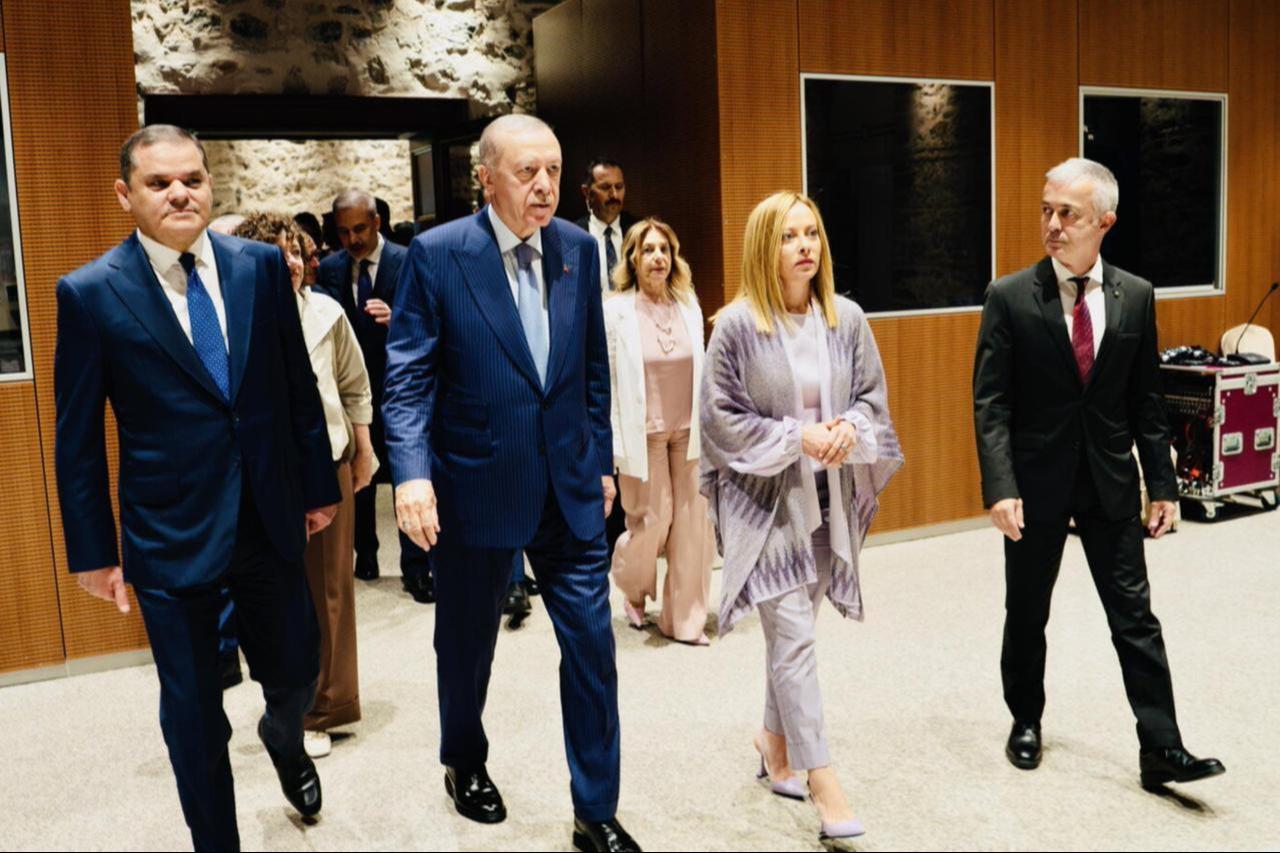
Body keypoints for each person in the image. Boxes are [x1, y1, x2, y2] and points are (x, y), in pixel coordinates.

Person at [53, 125, 339, 851]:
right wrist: (91, 551)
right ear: (126, 195)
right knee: (192, 711)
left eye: (193, 179)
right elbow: (78, 434)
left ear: (210, 184)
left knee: (298, 671)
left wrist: (316, 483)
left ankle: (283, 735)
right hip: (168, 533)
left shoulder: (259, 270)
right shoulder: (90, 293)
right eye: (159, 183)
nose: (181, 192)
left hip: (268, 517)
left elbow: (296, 387)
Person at [384, 113, 640, 852]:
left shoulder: (575, 250)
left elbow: (591, 366)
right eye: (528, 171)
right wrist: (411, 474)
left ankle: (596, 810)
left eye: (555, 171)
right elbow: (407, 377)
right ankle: (463, 759)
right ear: (486, 176)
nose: (545, 185)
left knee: (592, 647)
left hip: (569, 490)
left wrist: (598, 461)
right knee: (465, 648)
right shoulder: (436, 255)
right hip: (476, 488)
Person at [972, 157, 1225, 789]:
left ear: (1104, 222)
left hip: (1111, 479)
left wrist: (1163, 485)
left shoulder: (1135, 295)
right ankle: (1025, 720)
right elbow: (992, 402)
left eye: (1069, 215)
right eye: (1047, 211)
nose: (1053, 226)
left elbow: (1146, 401)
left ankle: (1162, 748)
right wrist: (1000, 486)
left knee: (1135, 617)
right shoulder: (1008, 296)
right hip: (1035, 484)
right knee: (1028, 611)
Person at [700, 191, 902, 850]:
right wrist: (799, 437)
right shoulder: (735, 325)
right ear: (766, 246)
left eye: (811, 233)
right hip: (765, 508)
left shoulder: (846, 317)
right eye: (789, 236)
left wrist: (848, 425)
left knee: (792, 639)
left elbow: (871, 397)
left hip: (828, 505)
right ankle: (823, 779)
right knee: (792, 637)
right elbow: (721, 420)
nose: (805, 247)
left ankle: (774, 743)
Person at [235, 213, 377, 760]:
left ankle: (326, 706)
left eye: (296, 252)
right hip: (264, 475)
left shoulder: (326, 312)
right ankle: (284, 695)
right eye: (279, 253)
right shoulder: (238, 321)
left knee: (330, 591)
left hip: (328, 465)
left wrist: (365, 451)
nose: (292, 262)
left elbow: (354, 387)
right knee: (272, 592)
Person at [315, 189, 434, 603]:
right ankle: (365, 552)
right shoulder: (330, 268)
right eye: (345, 232)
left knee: (408, 475)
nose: (353, 240)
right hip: (351, 392)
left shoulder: (409, 258)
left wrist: (397, 320)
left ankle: (417, 567)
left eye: (360, 229)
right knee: (359, 475)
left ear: (377, 223)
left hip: (400, 388)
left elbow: (431, 320)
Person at [605, 217, 715, 644]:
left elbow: (703, 370)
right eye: (649, 250)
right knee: (653, 522)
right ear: (633, 257)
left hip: (689, 433)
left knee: (693, 528)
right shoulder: (615, 310)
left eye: (665, 250)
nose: (658, 258)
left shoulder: (688, 303)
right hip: (643, 434)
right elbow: (610, 380)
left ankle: (684, 620)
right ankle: (633, 587)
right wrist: (610, 442)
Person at [575, 158, 637, 563]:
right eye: (604, 188)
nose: (613, 195)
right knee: (597, 431)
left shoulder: (638, 230)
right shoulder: (568, 236)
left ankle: (628, 531)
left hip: (630, 350)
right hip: (585, 351)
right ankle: (598, 526)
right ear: (587, 192)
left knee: (628, 431)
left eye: (618, 187)